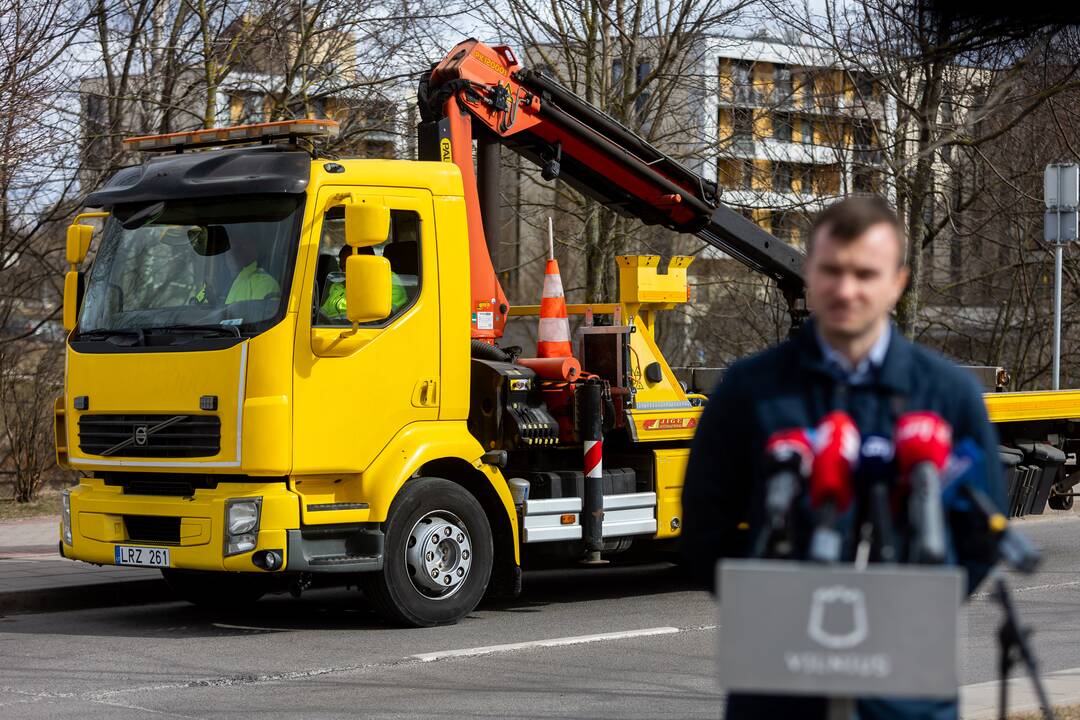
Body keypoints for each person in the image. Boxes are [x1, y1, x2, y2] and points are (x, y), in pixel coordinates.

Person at [680, 195, 1004, 720]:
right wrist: (775, 604)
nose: (846, 289)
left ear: (897, 282)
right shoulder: (749, 391)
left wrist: (912, 610)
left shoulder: (946, 395)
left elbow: (981, 533)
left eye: (865, 273)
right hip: (779, 688)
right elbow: (704, 532)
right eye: (831, 270)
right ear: (808, 272)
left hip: (906, 689)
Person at [319, 244, 407, 320]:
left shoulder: (387, 279)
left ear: (366, 261)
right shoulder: (337, 286)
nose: (343, 271)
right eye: (342, 267)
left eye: (348, 265)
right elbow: (323, 314)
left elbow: (383, 317)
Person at [225, 235, 280, 304]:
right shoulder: (229, 282)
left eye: (237, 250)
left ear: (254, 250)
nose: (231, 256)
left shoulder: (265, 284)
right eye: (227, 251)